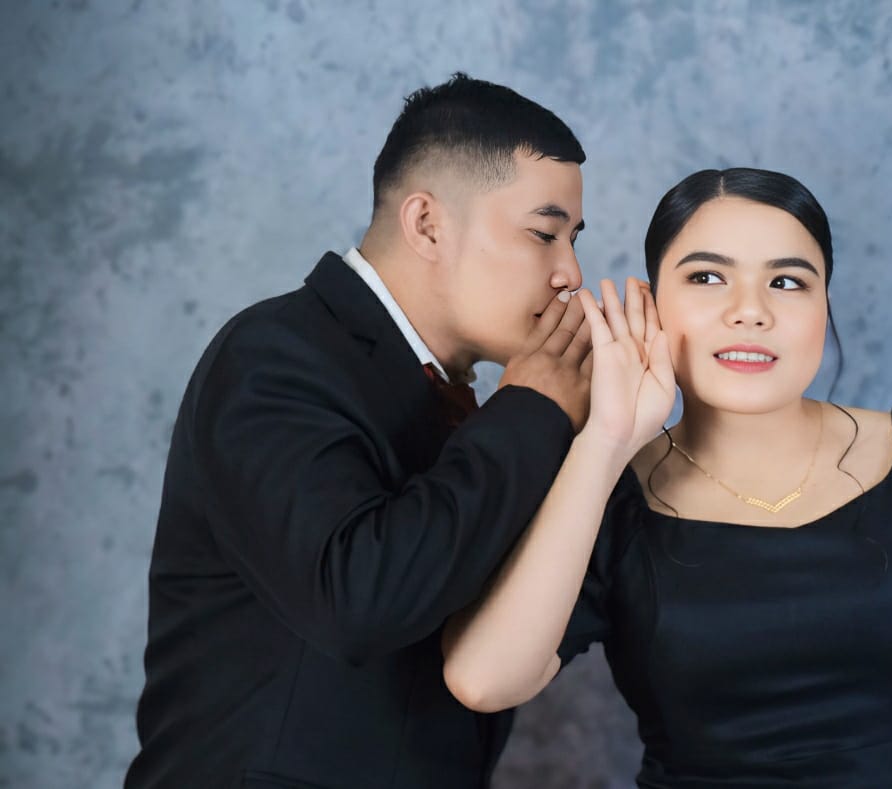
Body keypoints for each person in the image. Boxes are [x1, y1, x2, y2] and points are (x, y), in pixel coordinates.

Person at [442, 167, 892, 788]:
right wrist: (606, 441)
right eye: (707, 277)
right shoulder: (607, 497)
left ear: (824, 306)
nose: (750, 312)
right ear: (651, 306)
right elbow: (483, 681)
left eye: (788, 282)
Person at [126, 74, 593, 788]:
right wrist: (532, 409)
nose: (570, 273)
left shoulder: (480, 406)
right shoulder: (272, 355)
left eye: (574, 240)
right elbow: (358, 602)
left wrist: (606, 438)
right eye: (544, 234)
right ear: (427, 223)